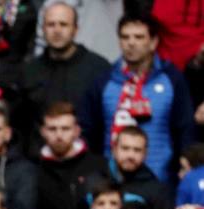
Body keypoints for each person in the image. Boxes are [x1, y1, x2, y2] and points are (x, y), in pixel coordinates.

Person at [81, 14, 193, 187]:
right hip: (111, 183)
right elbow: (89, 130)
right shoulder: (103, 81)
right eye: (125, 37)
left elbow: (185, 129)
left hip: (160, 180)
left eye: (139, 37)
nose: (131, 43)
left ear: (154, 42)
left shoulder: (172, 78)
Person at [18, 3, 111, 145]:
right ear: (42, 29)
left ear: (75, 29)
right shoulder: (29, 71)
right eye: (51, 24)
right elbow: (22, 124)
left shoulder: (98, 69)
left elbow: (107, 121)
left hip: (88, 160)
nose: (57, 30)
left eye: (63, 24)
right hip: (39, 162)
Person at [36, 103, 110, 209]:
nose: (59, 135)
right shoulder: (33, 168)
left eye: (65, 129)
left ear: (77, 131)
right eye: (52, 129)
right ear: (43, 131)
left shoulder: (97, 166)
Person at [110, 126, 171, 209]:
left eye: (137, 150)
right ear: (114, 150)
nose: (130, 155)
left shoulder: (157, 190)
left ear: (145, 154)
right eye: (125, 148)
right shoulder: (98, 179)